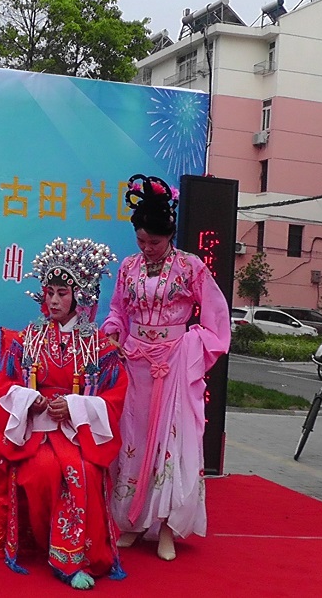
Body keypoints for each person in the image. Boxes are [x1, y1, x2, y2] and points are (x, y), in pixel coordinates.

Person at [103, 174, 230, 561]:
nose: (147, 249)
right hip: (135, 361)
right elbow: (117, 311)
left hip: (175, 362)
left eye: (154, 242)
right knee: (133, 439)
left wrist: (194, 346)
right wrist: (113, 334)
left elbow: (217, 318)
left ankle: (167, 527)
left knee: (173, 442)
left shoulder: (191, 267)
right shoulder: (128, 267)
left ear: (170, 236)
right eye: (141, 241)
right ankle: (131, 520)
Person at [0, 238, 127, 591]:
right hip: (37, 430)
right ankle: (47, 544)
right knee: (42, 470)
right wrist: (30, 399)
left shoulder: (98, 345)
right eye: (49, 292)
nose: (53, 300)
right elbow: (5, 386)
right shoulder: (28, 339)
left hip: (78, 432)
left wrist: (75, 405)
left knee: (80, 471)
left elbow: (114, 396)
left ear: (79, 296)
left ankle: (72, 558)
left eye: (62, 293)